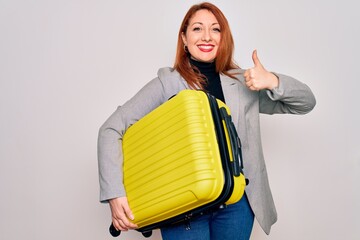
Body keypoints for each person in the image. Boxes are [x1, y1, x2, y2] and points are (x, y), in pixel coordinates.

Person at [97, 2, 316, 240]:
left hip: (238, 205)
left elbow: (306, 102)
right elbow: (111, 129)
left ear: (224, 37)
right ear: (184, 37)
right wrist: (115, 194)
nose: (207, 37)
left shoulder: (244, 82)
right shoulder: (166, 83)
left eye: (215, 29)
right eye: (197, 29)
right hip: (186, 205)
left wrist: (272, 80)